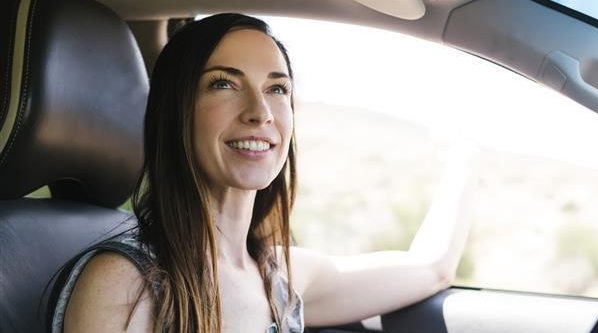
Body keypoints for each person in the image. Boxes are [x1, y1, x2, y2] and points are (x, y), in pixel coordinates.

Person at [48, 13, 474, 333]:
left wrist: (467, 150)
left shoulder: (279, 275)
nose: (260, 112)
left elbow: (432, 269)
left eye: (277, 88)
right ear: (175, 111)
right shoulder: (123, 282)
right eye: (224, 84)